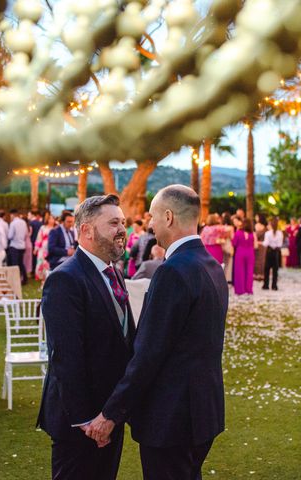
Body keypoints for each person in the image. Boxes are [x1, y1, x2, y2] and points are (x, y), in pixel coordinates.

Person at [86, 185, 228, 480]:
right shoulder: (212, 266)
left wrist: (112, 414)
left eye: (151, 216)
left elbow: (149, 353)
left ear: (168, 216)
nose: (149, 224)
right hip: (204, 411)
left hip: (171, 417)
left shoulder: (172, 272)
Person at [38, 194, 135, 480]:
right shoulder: (65, 278)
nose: (122, 230)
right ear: (86, 230)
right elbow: (66, 357)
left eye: (123, 223)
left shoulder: (113, 272)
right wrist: (87, 421)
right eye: (113, 223)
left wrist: (114, 413)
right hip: (79, 422)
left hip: (109, 414)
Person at [232, 218, 255, 295]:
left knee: (239, 271)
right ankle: (248, 289)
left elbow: (234, 243)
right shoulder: (252, 234)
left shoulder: (238, 232)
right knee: (249, 271)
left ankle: (240, 290)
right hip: (250, 252)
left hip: (240, 252)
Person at [7, 209, 29, 284]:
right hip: (22, 245)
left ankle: (15, 280)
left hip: (14, 246)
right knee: (21, 263)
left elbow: (10, 236)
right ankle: (25, 278)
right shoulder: (23, 222)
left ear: (12, 215)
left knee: (14, 264)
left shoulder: (13, 223)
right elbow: (26, 234)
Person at [262, 216, 283, 291]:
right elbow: (280, 244)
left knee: (267, 269)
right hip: (276, 252)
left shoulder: (268, 233)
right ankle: (274, 285)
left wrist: (261, 243)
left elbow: (266, 243)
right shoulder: (280, 233)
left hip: (269, 251)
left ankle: (266, 284)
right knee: (275, 269)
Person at [34, 213, 55, 282]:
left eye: (53, 218)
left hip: (51, 249)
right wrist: (36, 248)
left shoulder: (56, 228)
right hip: (42, 249)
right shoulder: (43, 228)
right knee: (41, 264)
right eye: (50, 218)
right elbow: (39, 238)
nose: (52, 220)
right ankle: (42, 280)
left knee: (48, 265)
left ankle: (48, 279)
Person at [253, 214, 267, 281]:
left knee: (257, 260)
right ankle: (262, 274)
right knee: (262, 259)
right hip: (263, 245)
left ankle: (257, 274)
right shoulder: (265, 226)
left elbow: (256, 235)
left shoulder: (257, 225)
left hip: (258, 244)